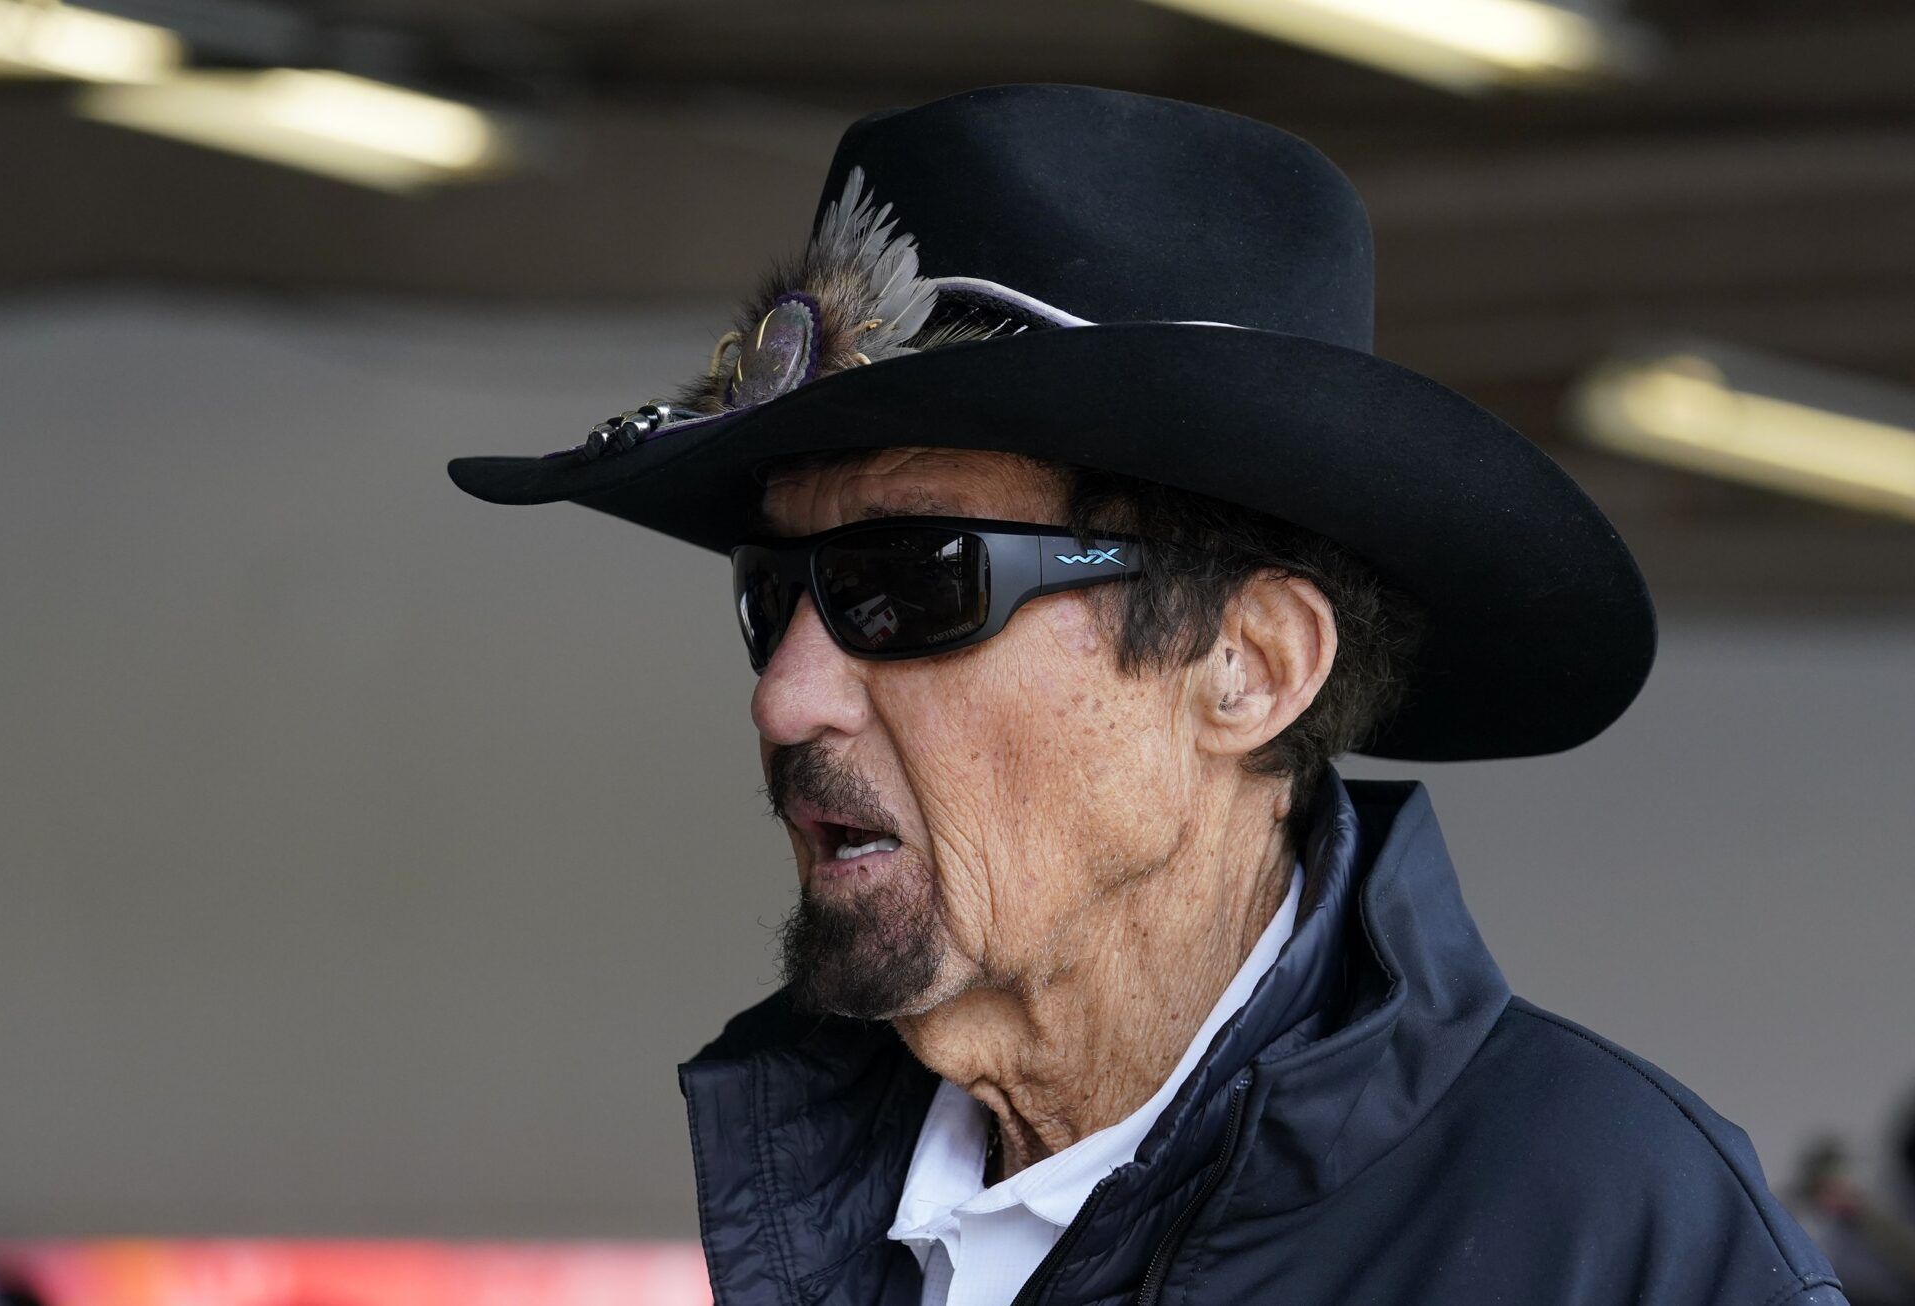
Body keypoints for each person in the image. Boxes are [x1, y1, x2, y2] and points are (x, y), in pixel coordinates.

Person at [448, 83, 1847, 1306]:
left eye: (911, 584)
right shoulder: (826, 1202)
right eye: (776, 596)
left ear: (1249, 669)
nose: (789, 695)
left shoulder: (1620, 1248)